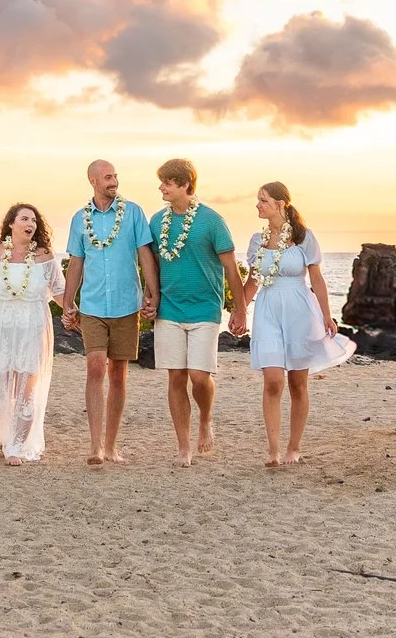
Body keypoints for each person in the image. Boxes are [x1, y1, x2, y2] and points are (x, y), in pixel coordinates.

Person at [226, 180, 352, 467]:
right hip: (268, 310)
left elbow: (317, 279)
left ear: (280, 204)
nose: (257, 205)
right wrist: (240, 311)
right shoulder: (257, 242)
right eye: (258, 200)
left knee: (297, 382)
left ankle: (293, 447)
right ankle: (273, 451)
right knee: (272, 381)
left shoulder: (304, 237)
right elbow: (253, 280)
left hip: (299, 310)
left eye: (263, 200)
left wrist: (326, 315)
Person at [146, 158, 242, 466]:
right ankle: (183, 446)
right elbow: (152, 267)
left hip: (205, 308)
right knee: (176, 376)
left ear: (185, 184)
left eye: (167, 183)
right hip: (169, 308)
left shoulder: (212, 221)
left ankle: (206, 419)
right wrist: (150, 297)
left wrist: (240, 310)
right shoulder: (155, 221)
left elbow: (230, 268)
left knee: (200, 377)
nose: (161, 187)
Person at [63, 159, 156, 466]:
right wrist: (67, 302)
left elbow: (145, 253)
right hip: (91, 306)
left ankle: (112, 446)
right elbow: (76, 262)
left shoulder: (133, 213)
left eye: (115, 176)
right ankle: (94, 447)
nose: (113, 181)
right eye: (107, 177)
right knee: (94, 368)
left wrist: (151, 291)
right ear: (93, 180)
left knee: (118, 374)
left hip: (126, 306)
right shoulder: (80, 219)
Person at [0, 203, 62, 464]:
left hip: (32, 327)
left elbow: (60, 291)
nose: (29, 223)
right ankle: (6, 434)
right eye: (23, 218)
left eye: (33, 220)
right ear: (11, 224)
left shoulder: (44, 257)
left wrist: (76, 310)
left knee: (26, 387)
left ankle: (16, 446)